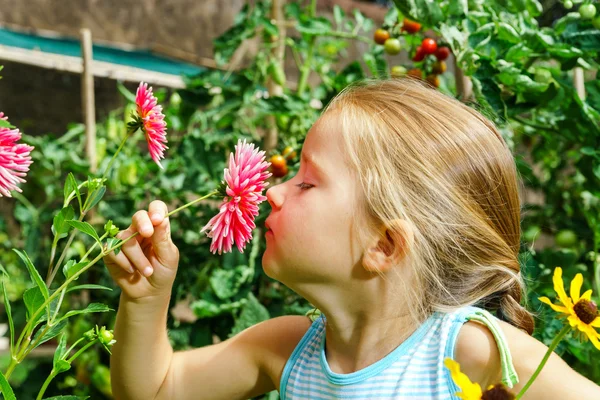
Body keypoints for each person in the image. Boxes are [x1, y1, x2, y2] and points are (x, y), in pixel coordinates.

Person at [105, 78, 600, 399]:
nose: (273, 193)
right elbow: (155, 391)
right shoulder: (289, 348)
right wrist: (147, 300)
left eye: (306, 181)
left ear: (384, 245)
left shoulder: (471, 350)